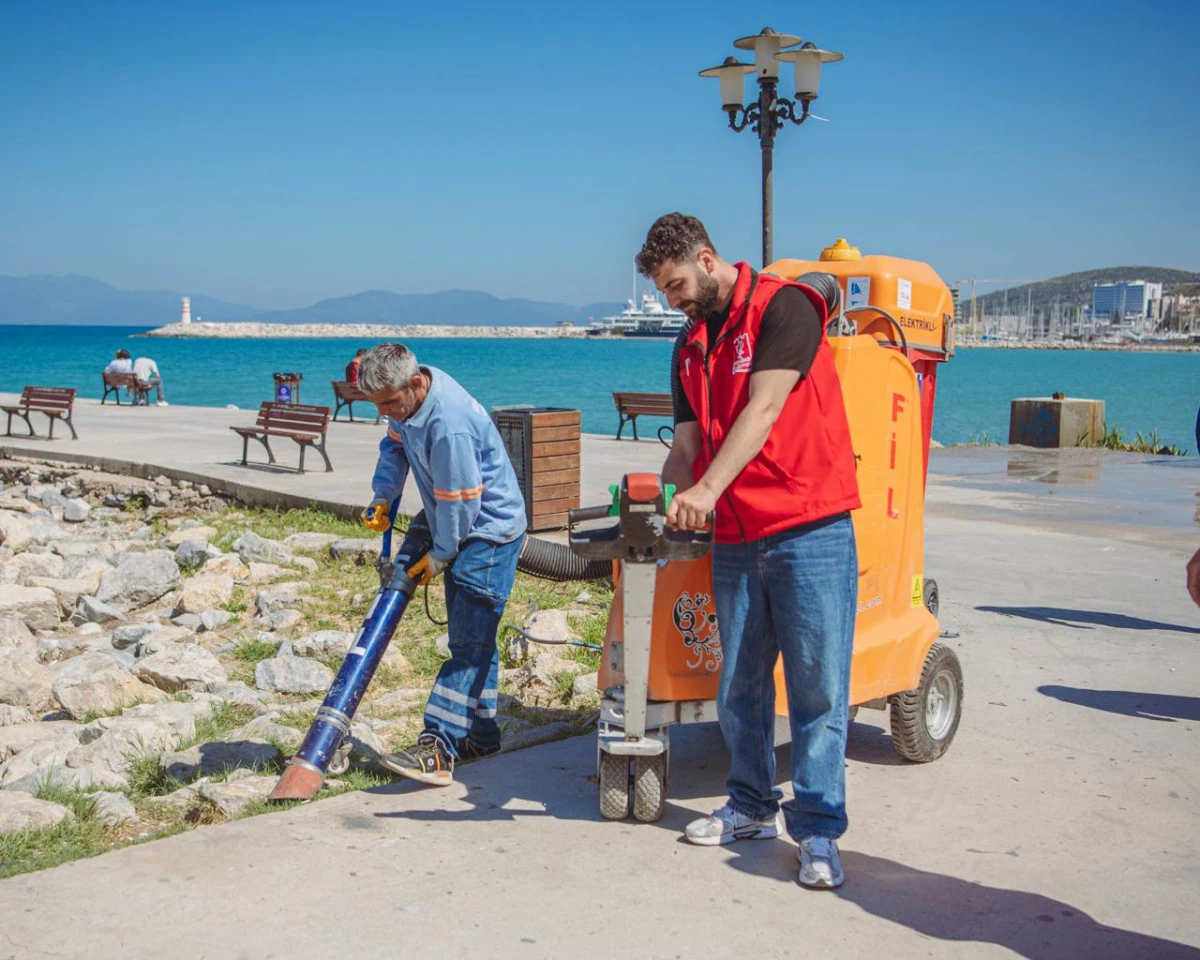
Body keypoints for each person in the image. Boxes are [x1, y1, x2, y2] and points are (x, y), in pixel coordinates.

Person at [638, 213, 861, 889]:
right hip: (735, 535)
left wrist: (704, 489)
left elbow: (763, 411)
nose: (672, 301)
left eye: (676, 285)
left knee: (819, 689)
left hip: (809, 528)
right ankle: (750, 807)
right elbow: (683, 447)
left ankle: (819, 833)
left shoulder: (784, 309)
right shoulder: (687, 347)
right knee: (738, 685)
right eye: (663, 291)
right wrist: (660, 501)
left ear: (707, 259)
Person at [357, 342, 527, 786]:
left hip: (487, 532)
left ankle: (439, 746)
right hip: (457, 522)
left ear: (415, 384)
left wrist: (440, 555)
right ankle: (482, 735)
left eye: (390, 403)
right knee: (476, 637)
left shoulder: (449, 425)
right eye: (378, 406)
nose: (386, 414)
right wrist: (383, 495)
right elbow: (394, 448)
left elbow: (459, 503)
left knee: (468, 645)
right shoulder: (407, 406)